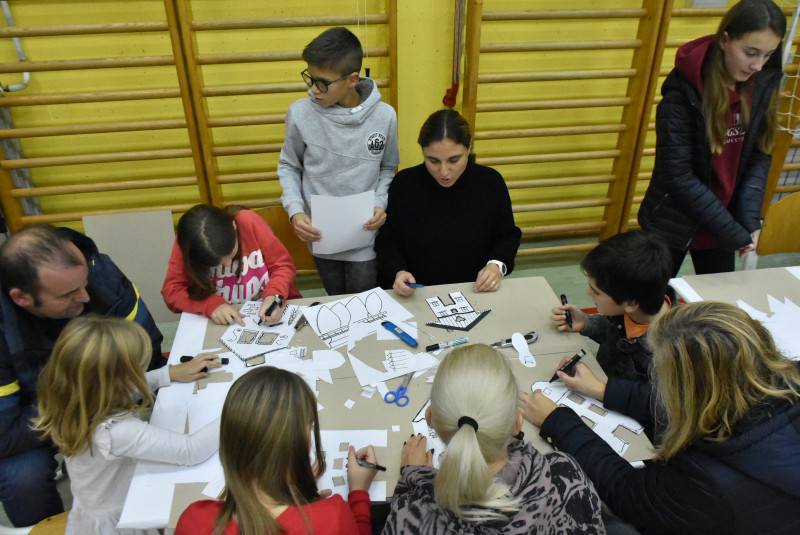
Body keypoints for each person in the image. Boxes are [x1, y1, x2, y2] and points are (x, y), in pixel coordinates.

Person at [521, 301, 800, 534]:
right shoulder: (776, 381)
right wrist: (604, 389)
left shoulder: (701, 484)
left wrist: (558, 422)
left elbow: (626, 492)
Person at [0, 224, 164, 527]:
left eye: (84, 283)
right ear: (22, 298)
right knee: (23, 478)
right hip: (35, 420)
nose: (86, 297)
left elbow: (149, 350)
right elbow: (5, 434)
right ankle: (45, 528)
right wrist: (87, 406)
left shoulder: (100, 271)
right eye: (68, 294)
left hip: (103, 397)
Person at [383, 344, 605, 534]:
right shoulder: (566, 476)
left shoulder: (410, 520)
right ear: (517, 422)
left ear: (429, 417)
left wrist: (412, 478)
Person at [33, 315, 220, 535]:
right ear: (114, 381)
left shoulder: (75, 399)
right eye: (135, 371)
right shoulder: (114, 431)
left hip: (95, 507)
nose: (140, 376)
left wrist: (169, 373)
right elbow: (190, 450)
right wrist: (237, 409)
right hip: (121, 522)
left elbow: (129, 388)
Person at [638, 0, 786, 276]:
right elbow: (679, 176)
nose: (757, 65)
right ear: (725, 40)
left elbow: (759, 156)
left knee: (719, 299)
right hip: (674, 222)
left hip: (722, 225)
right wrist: (732, 231)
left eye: (768, 55)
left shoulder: (760, 86)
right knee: (652, 298)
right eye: (751, 52)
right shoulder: (683, 94)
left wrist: (749, 221)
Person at [175, 366, 379, 535]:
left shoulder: (193, 520)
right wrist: (359, 492)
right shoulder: (331, 518)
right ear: (298, 443)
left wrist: (294, 491)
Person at [278, 26, 400, 296]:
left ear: (352, 79)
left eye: (323, 82)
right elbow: (289, 166)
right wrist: (296, 211)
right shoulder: (299, 113)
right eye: (310, 79)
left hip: (364, 235)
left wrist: (380, 203)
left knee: (362, 299)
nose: (314, 89)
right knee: (335, 298)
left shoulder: (385, 116)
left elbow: (387, 167)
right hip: (320, 235)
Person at [375, 109, 521, 296]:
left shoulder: (490, 183)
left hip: (473, 290)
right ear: (423, 151)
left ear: (469, 147)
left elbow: (507, 236)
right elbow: (387, 240)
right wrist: (398, 271)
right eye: (433, 161)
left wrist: (496, 265)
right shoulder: (404, 184)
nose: (444, 172)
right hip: (416, 293)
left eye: (454, 160)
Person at [552, 230, 674, 382]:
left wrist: (601, 390)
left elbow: (652, 396)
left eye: (596, 292)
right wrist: (585, 322)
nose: (588, 293)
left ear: (630, 303)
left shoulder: (668, 352)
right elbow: (612, 330)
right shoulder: (632, 311)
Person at [162, 204, 302, 326]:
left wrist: (274, 294)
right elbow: (172, 291)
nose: (228, 264)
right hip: (223, 322)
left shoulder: (248, 221)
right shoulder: (189, 242)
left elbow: (283, 266)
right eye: (216, 264)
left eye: (230, 255)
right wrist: (210, 305)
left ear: (234, 226)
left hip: (273, 309)